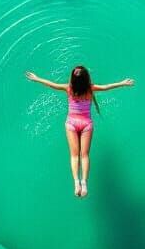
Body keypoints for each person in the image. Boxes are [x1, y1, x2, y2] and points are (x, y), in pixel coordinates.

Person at [24, 65, 135, 197]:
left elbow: (52, 85)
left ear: (73, 79)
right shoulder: (90, 89)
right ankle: (84, 184)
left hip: (71, 124)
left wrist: (37, 78)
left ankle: (76, 182)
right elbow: (106, 87)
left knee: (74, 155)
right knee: (85, 155)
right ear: (86, 78)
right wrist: (122, 83)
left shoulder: (68, 88)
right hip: (86, 124)